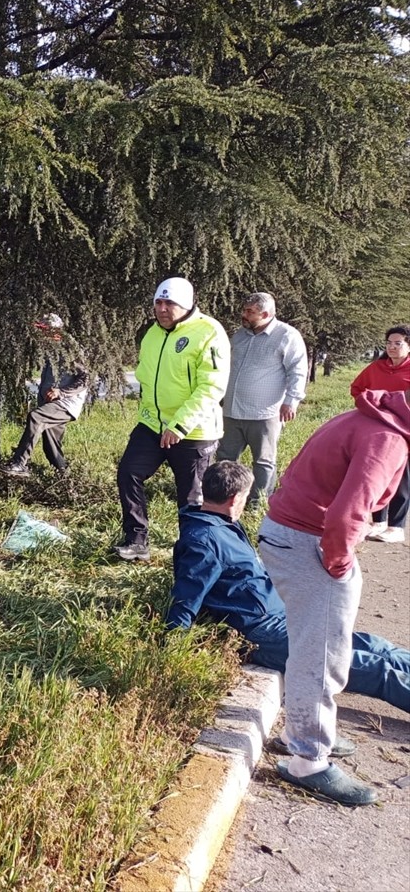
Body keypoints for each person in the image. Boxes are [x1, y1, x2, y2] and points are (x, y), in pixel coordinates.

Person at [258, 388, 410, 806]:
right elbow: (348, 514)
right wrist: (340, 563)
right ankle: (308, 759)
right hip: (311, 540)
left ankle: (301, 731)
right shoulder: (388, 440)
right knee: (321, 651)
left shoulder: (370, 417)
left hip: (292, 532)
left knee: (319, 643)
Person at [166, 460, 409, 720]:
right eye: (247, 497)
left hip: (285, 616)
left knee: (378, 647)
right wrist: (173, 650)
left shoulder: (222, 524)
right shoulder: (204, 540)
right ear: (236, 498)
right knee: (375, 669)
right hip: (261, 631)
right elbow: (186, 596)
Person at [114, 277, 229, 561]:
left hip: (194, 430)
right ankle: (136, 540)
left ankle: (193, 553)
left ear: (187, 305)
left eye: (170, 303)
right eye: (158, 302)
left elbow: (211, 386)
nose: (162, 309)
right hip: (153, 425)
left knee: (191, 496)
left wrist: (180, 424)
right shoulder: (152, 333)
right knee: (128, 472)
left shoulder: (209, 332)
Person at [217, 293, 307, 509]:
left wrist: (291, 400)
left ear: (266, 314)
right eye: (244, 309)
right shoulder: (240, 335)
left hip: (265, 413)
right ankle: (223, 498)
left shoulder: (286, 335)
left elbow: (298, 370)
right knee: (224, 458)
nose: (243, 314)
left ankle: (258, 503)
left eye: (250, 312)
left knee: (263, 462)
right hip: (232, 410)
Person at [0, 313, 89, 476]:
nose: (40, 334)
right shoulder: (49, 349)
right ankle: (66, 479)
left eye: (43, 330)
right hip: (51, 403)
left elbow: (85, 379)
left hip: (66, 404)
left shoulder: (71, 350)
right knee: (51, 446)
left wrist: (61, 392)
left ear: (55, 331)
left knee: (36, 417)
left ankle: (19, 463)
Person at [350, 324, 410, 544]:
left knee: (401, 476)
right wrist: (369, 406)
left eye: (398, 343)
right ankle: (379, 521)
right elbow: (357, 389)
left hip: (404, 430)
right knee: (376, 472)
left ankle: (396, 525)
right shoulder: (377, 367)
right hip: (377, 429)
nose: (392, 347)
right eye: (389, 343)